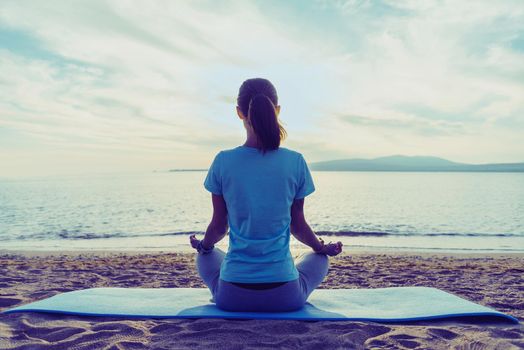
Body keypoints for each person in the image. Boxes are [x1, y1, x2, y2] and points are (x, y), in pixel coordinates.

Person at [189, 77, 343, 312]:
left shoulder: (223, 161)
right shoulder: (295, 161)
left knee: (205, 256)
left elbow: (219, 227)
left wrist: (203, 245)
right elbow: (298, 226)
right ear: (277, 110)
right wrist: (320, 247)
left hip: (232, 297)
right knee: (318, 259)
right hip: (285, 297)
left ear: (239, 113)